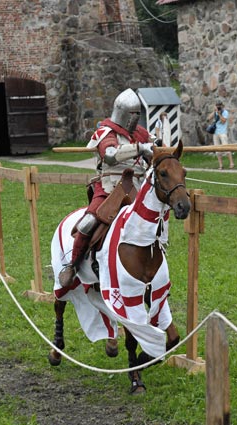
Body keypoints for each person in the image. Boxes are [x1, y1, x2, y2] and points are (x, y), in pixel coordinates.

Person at [58, 88, 152, 288]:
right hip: (111, 186)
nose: (135, 118)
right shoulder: (106, 132)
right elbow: (109, 154)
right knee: (89, 221)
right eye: (132, 114)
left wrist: (155, 149)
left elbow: (153, 149)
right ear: (123, 113)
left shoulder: (140, 133)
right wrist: (139, 149)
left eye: (138, 114)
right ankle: (73, 265)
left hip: (137, 186)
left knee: (153, 217)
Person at [208, 100, 234, 170]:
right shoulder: (215, 112)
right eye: (217, 105)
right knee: (217, 150)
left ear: (222, 106)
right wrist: (214, 111)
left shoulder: (225, 112)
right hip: (216, 133)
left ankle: (231, 163)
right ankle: (221, 165)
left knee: (226, 148)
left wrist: (219, 114)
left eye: (219, 105)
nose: (218, 107)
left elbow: (223, 121)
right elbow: (208, 118)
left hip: (223, 133)